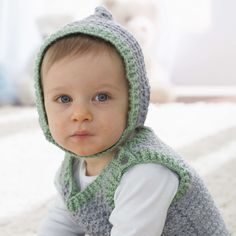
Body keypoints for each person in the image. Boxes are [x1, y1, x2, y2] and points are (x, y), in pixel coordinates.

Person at [35, 6, 229, 236]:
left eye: (101, 97)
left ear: (133, 101)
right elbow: (60, 224)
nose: (80, 114)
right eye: (63, 98)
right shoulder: (74, 167)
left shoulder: (146, 169)